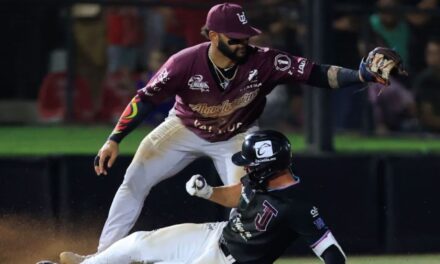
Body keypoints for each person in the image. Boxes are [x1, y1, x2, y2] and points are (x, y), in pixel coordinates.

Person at [90, 2, 403, 256]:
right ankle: (101, 257)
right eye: (234, 38)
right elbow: (145, 98)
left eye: (246, 36)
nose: (243, 43)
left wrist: (360, 76)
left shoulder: (264, 61)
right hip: (183, 127)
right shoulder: (183, 63)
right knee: (134, 180)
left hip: (238, 136)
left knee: (244, 203)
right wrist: (114, 139)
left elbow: (316, 74)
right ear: (212, 35)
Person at [59, 130, 346, 264]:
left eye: (250, 162)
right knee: (138, 242)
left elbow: (333, 255)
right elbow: (237, 195)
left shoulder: (299, 206)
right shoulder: (262, 178)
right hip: (217, 234)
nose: (244, 166)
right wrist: (208, 192)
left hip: (230, 262)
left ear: (268, 165)